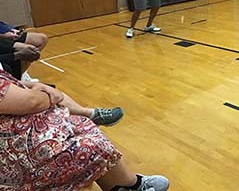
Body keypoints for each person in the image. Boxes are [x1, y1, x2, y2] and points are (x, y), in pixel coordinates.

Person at [0, 69, 167, 190]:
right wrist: (50, 95)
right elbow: (31, 102)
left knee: (81, 125)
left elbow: (13, 86)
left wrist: (39, 88)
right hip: (11, 161)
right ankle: (130, 185)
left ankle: (128, 185)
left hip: (20, 136)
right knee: (90, 146)